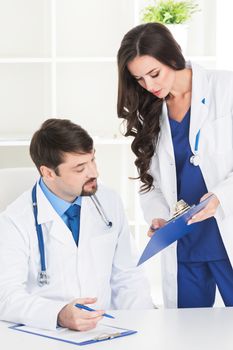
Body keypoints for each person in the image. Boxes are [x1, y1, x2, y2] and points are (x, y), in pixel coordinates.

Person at [117, 22, 233, 309]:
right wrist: (158, 216)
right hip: (186, 242)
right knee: (187, 333)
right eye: (139, 79)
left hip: (225, 232)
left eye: (154, 74)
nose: (150, 86)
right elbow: (150, 181)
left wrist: (222, 196)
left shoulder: (226, 88)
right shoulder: (149, 109)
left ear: (173, 56)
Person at [0, 118, 152, 330]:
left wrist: (146, 327)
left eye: (93, 160)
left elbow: (127, 276)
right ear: (48, 173)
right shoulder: (15, 220)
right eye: (80, 168)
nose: (94, 173)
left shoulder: (109, 201)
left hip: (105, 330)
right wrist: (59, 314)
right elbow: (6, 296)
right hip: (44, 333)